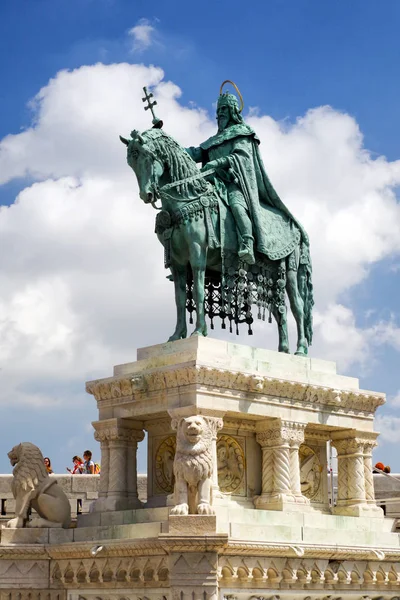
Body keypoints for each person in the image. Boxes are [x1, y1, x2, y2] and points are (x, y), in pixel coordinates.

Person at [185, 82, 309, 265]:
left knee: (236, 206)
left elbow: (241, 157)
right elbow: (195, 153)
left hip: (234, 183)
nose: (220, 113)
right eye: (219, 110)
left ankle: (247, 242)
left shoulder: (242, 133)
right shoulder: (213, 140)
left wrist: (218, 162)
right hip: (211, 183)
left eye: (225, 109)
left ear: (234, 111)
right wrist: (171, 148)